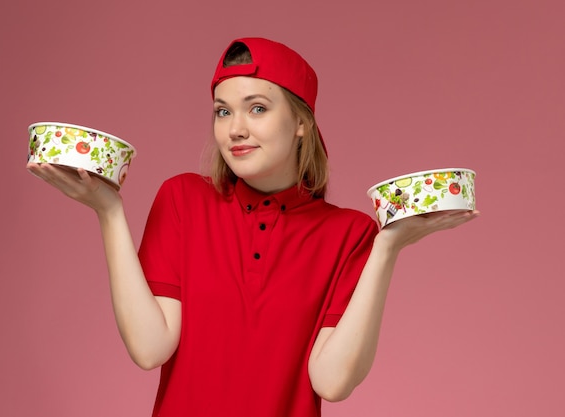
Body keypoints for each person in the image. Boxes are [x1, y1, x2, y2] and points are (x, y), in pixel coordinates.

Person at [26, 37, 479, 417]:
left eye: (257, 108)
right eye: (223, 111)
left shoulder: (349, 234)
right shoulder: (183, 200)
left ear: (302, 122)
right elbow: (150, 348)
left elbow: (332, 382)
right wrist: (109, 212)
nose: (235, 129)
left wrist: (387, 249)